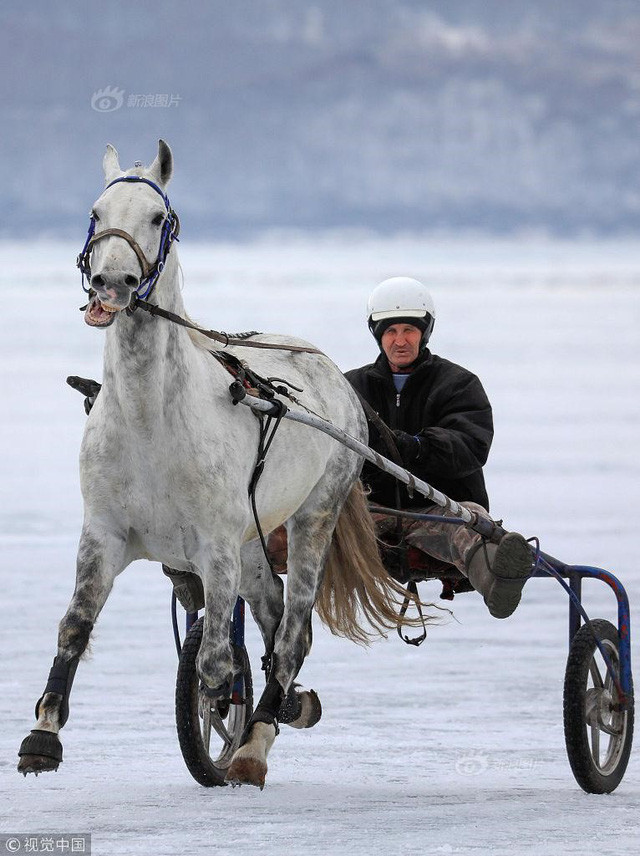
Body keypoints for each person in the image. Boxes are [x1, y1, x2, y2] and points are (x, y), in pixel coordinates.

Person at [343, 276, 532, 619]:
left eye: (409, 331)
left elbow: (470, 445)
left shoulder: (459, 384)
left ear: (425, 331)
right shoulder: (350, 386)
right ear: (377, 334)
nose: (400, 341)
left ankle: (498, 580)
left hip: (438, 511)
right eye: (390, 331)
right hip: (369, 513)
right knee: (301, 523)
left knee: (469, 526)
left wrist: (413, 447)